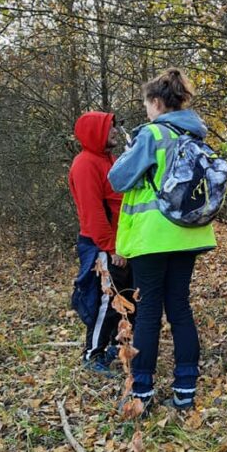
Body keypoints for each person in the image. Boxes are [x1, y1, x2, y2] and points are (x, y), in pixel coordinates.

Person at [108, 67, 216, 415]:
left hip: (153, 238)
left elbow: (117, 179)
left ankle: (142, 391)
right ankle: (185, 391)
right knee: (180, 308)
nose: (146, 111)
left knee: (149, 312)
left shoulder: (152, 135)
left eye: (146, 105)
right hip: (188, 234)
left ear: (156, 102)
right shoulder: (197, 135)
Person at [69, 111, 132, 374]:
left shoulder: (108, 160)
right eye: (110, 128)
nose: (115, 131)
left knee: (121, 300)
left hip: (117, 244)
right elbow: (92, 213)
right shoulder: (85, 164)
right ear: (96, 133)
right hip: (101, 246)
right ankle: (92, 356)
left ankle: (107, 350)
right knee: (106, 301)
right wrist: (111, 247)